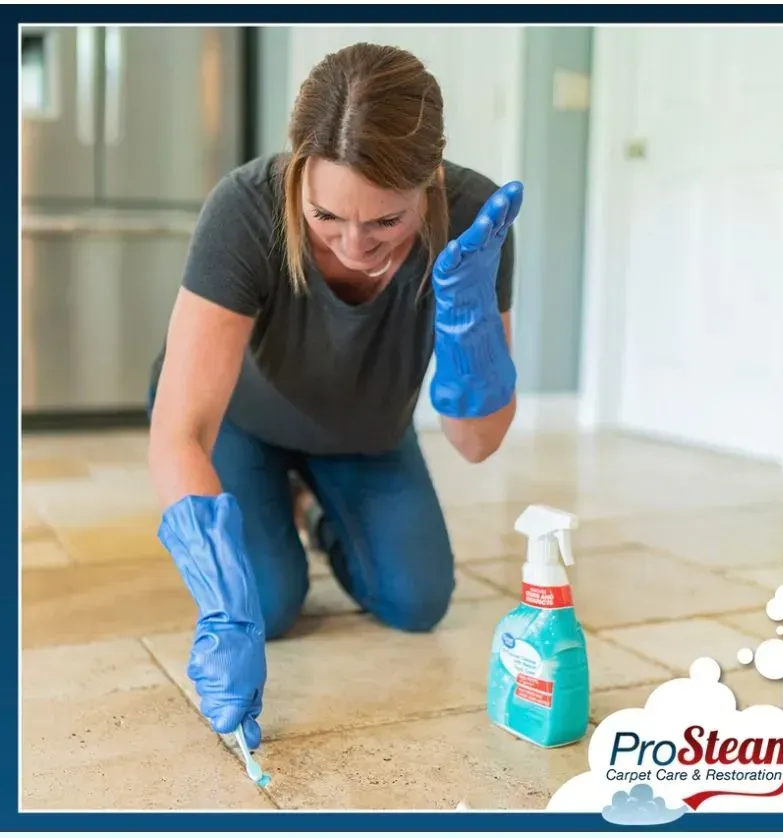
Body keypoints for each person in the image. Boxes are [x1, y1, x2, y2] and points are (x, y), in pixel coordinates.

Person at [147, 42, 522, 750]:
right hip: (241, 424)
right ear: (298, 175)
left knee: (417, 602)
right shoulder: (248, 206)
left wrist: (470, 318)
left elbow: (476, 443)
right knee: (269, 602)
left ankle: (313, 508)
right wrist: (223, 610)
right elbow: (180, 431)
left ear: (431, 181)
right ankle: (274, 504)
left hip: (364, 429)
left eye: (386, 221)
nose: (355, 245)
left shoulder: (475, 219)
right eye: (326, 217)